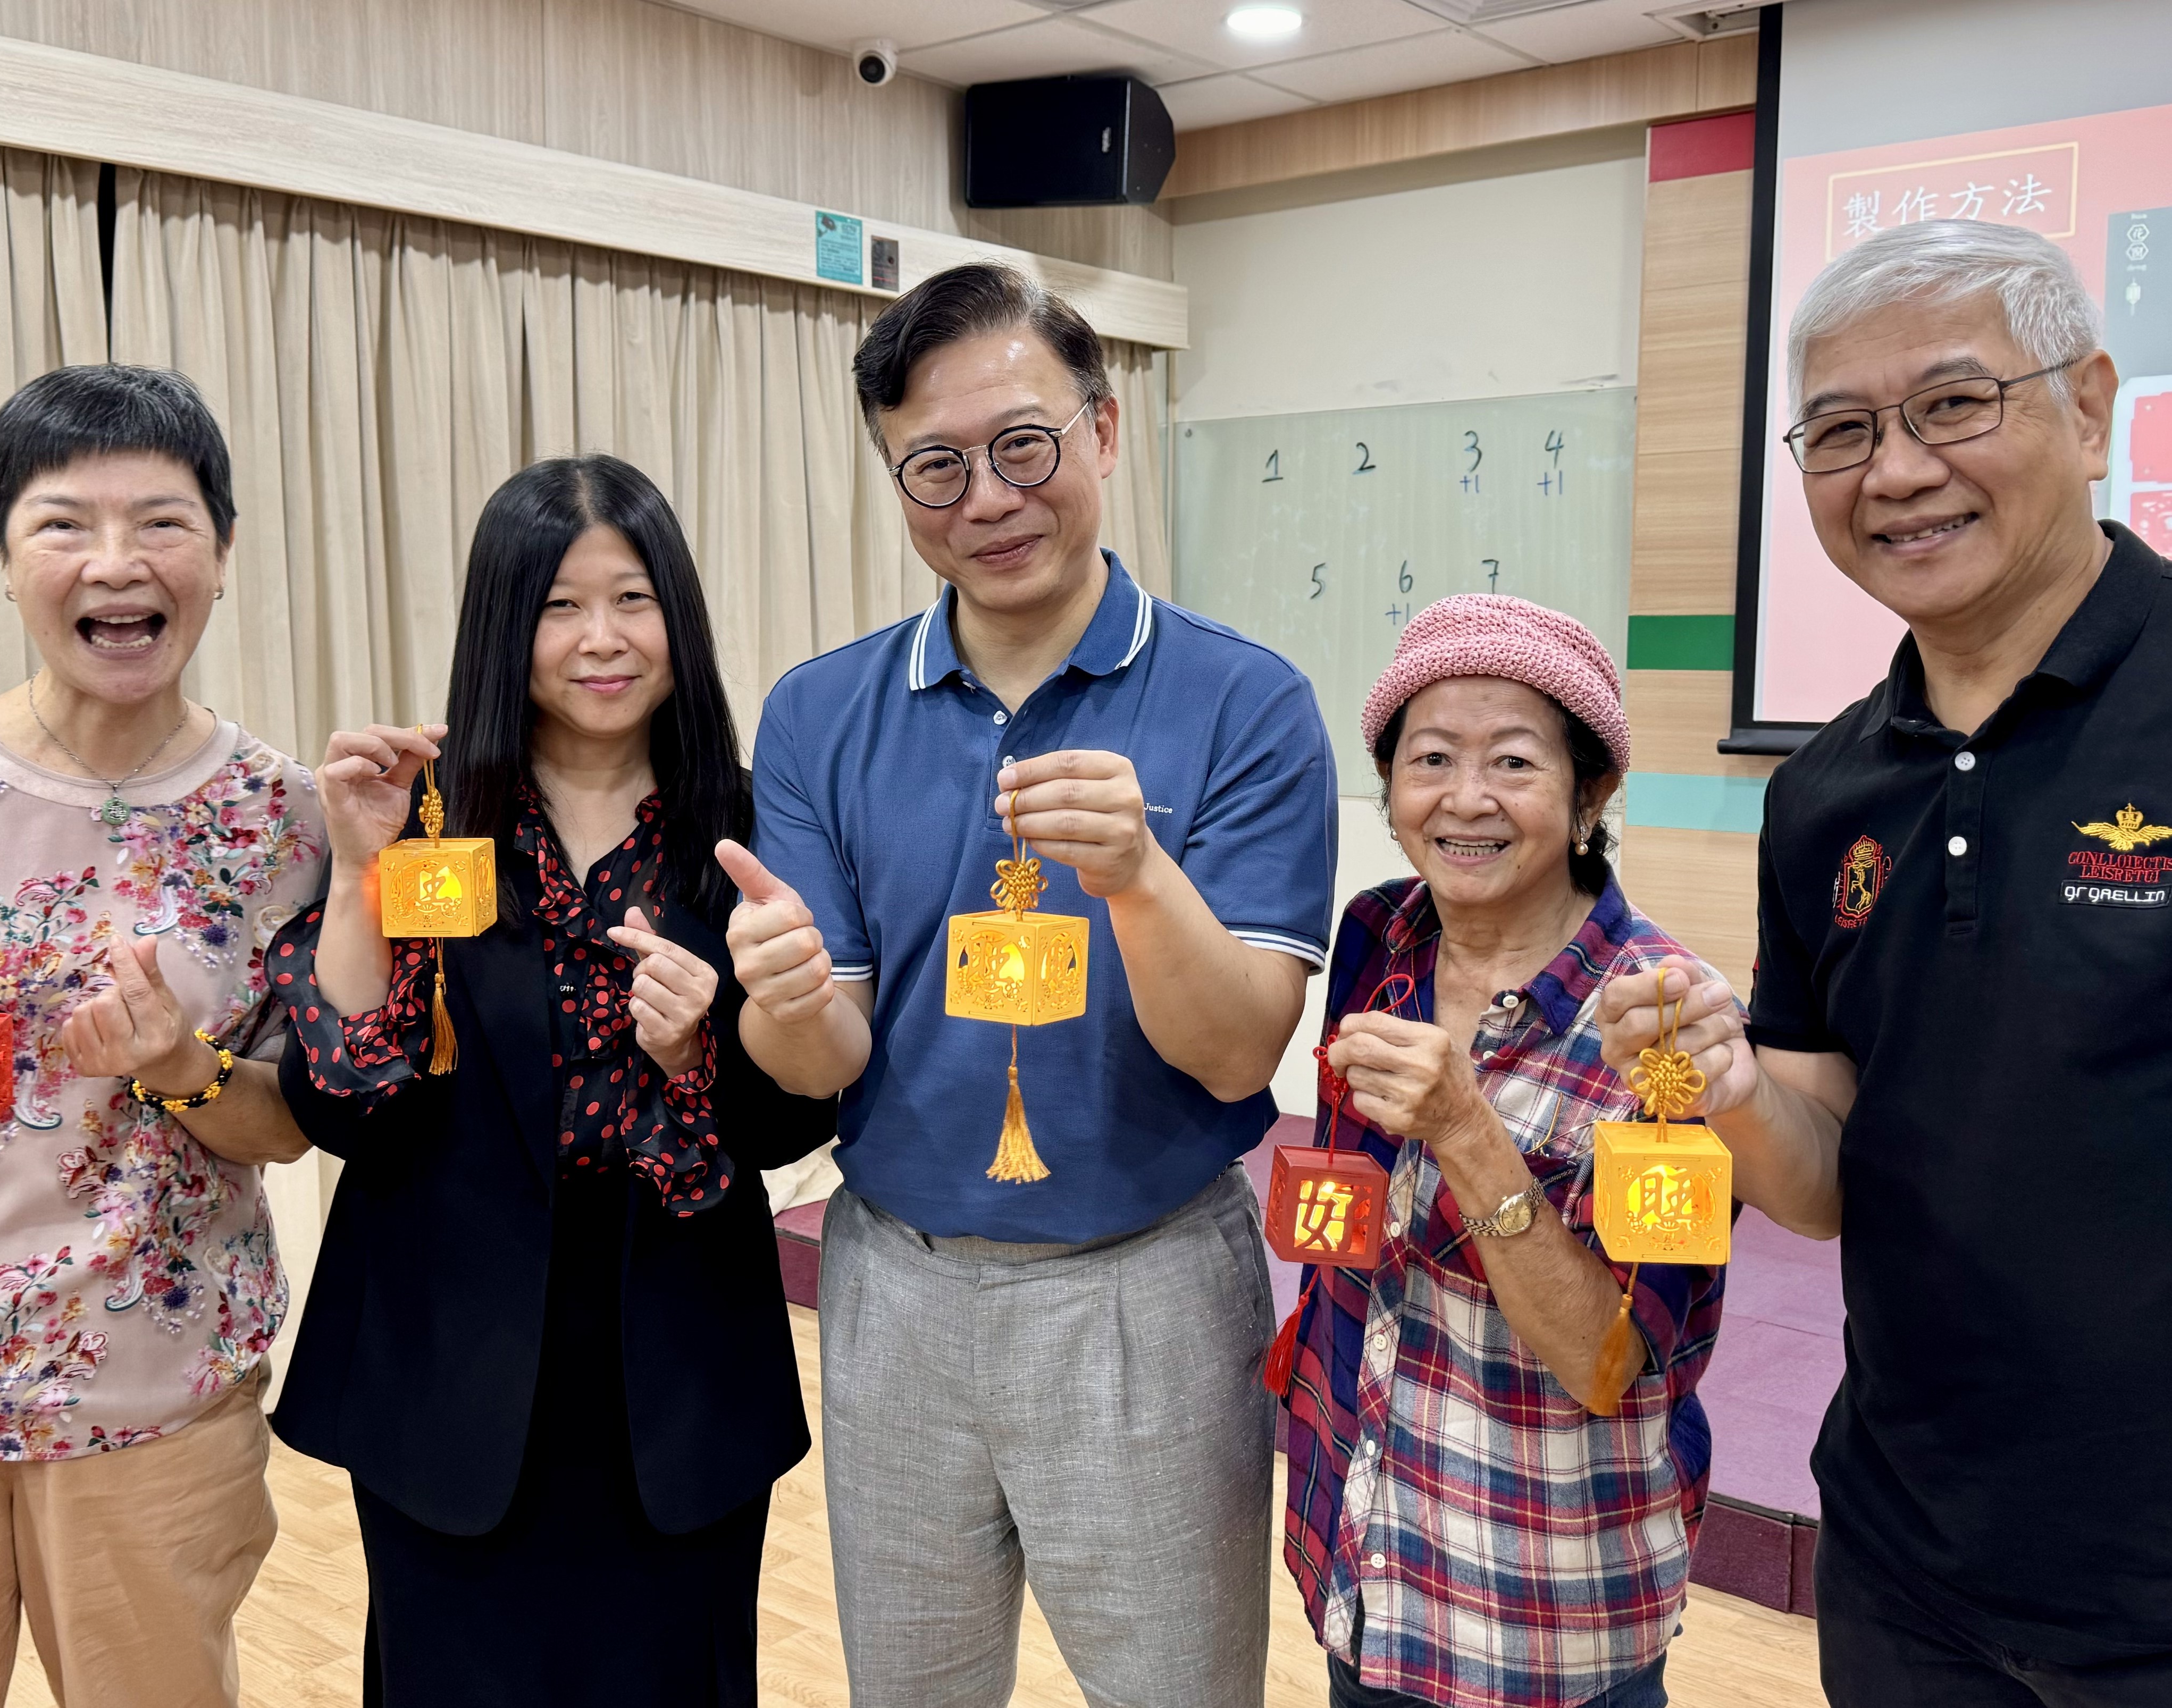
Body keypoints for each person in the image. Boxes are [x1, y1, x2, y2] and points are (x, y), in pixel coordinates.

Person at [718, 262, 1335, 1707]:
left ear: (1103, 430)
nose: (986, 499)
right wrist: (783, 995)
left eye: (1023, 444)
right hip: (895, 1280)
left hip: (1145, 1283)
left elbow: (1238, 1051)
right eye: (934, 465)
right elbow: (820, 1060)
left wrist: (1138, 876)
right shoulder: (820, 710)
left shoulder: (1243, 700)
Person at [1599, 218, 2172, 1705]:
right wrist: (1731, 1085)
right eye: (1842, 431)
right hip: (1908, 1563)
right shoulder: (1823, 792)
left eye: (1952, 403)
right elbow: (1821, 1181)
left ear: (2089, 407)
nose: (1897, 471)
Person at [265, 453, 835, 1707]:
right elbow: (341, 1104)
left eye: (633, 599)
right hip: (445, 1365)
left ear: (679, 617)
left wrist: (700, 1052)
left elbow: (798, 1114)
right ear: (501, 626)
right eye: (558, 606)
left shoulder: (750, 827)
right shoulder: (418, 814)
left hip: (680, 1372)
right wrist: (356, 876)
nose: (601, 639)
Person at [0, 365, 326, 1708]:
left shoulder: (284, 821)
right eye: (64, 524)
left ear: (223, 551)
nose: (116, 562)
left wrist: (179, 1069)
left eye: (162, 521)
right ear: (5, 557)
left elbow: (294, 1119)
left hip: (154, 1398)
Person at [1279, 596, 1727, 1708]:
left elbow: (1609, 1364)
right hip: (1362, 1567)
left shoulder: (1666, 1027)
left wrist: (1467, 1129)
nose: (1466, 798)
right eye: (1430, 757)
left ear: (1591, 795)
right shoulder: (1379, 935)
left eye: (1514, 761)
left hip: (1542, 1616)